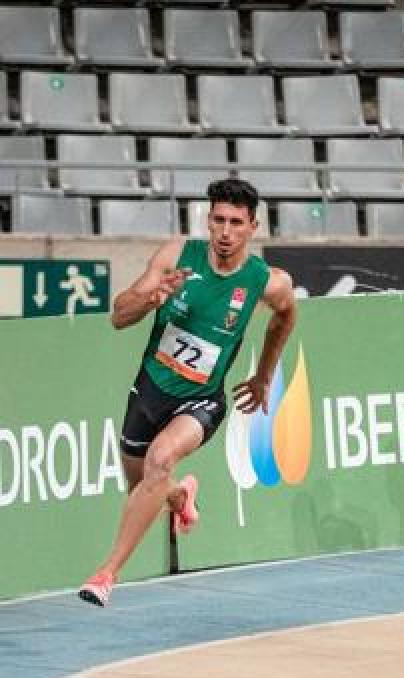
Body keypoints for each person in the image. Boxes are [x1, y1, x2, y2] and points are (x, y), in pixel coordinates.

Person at [79, 179, 297, 606]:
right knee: (143, 486)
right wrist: (150, 299)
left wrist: (264, 376)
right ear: (207, 220)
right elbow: (118, 316)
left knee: (161, 460)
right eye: (218, 220)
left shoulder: (266, 281)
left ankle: (106, 575)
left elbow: (285, 317)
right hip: (149, 389)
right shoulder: (176, 256)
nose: (225, 231)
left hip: (202, 400)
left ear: (253, 226)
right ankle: (181, 495)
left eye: (236, 222)